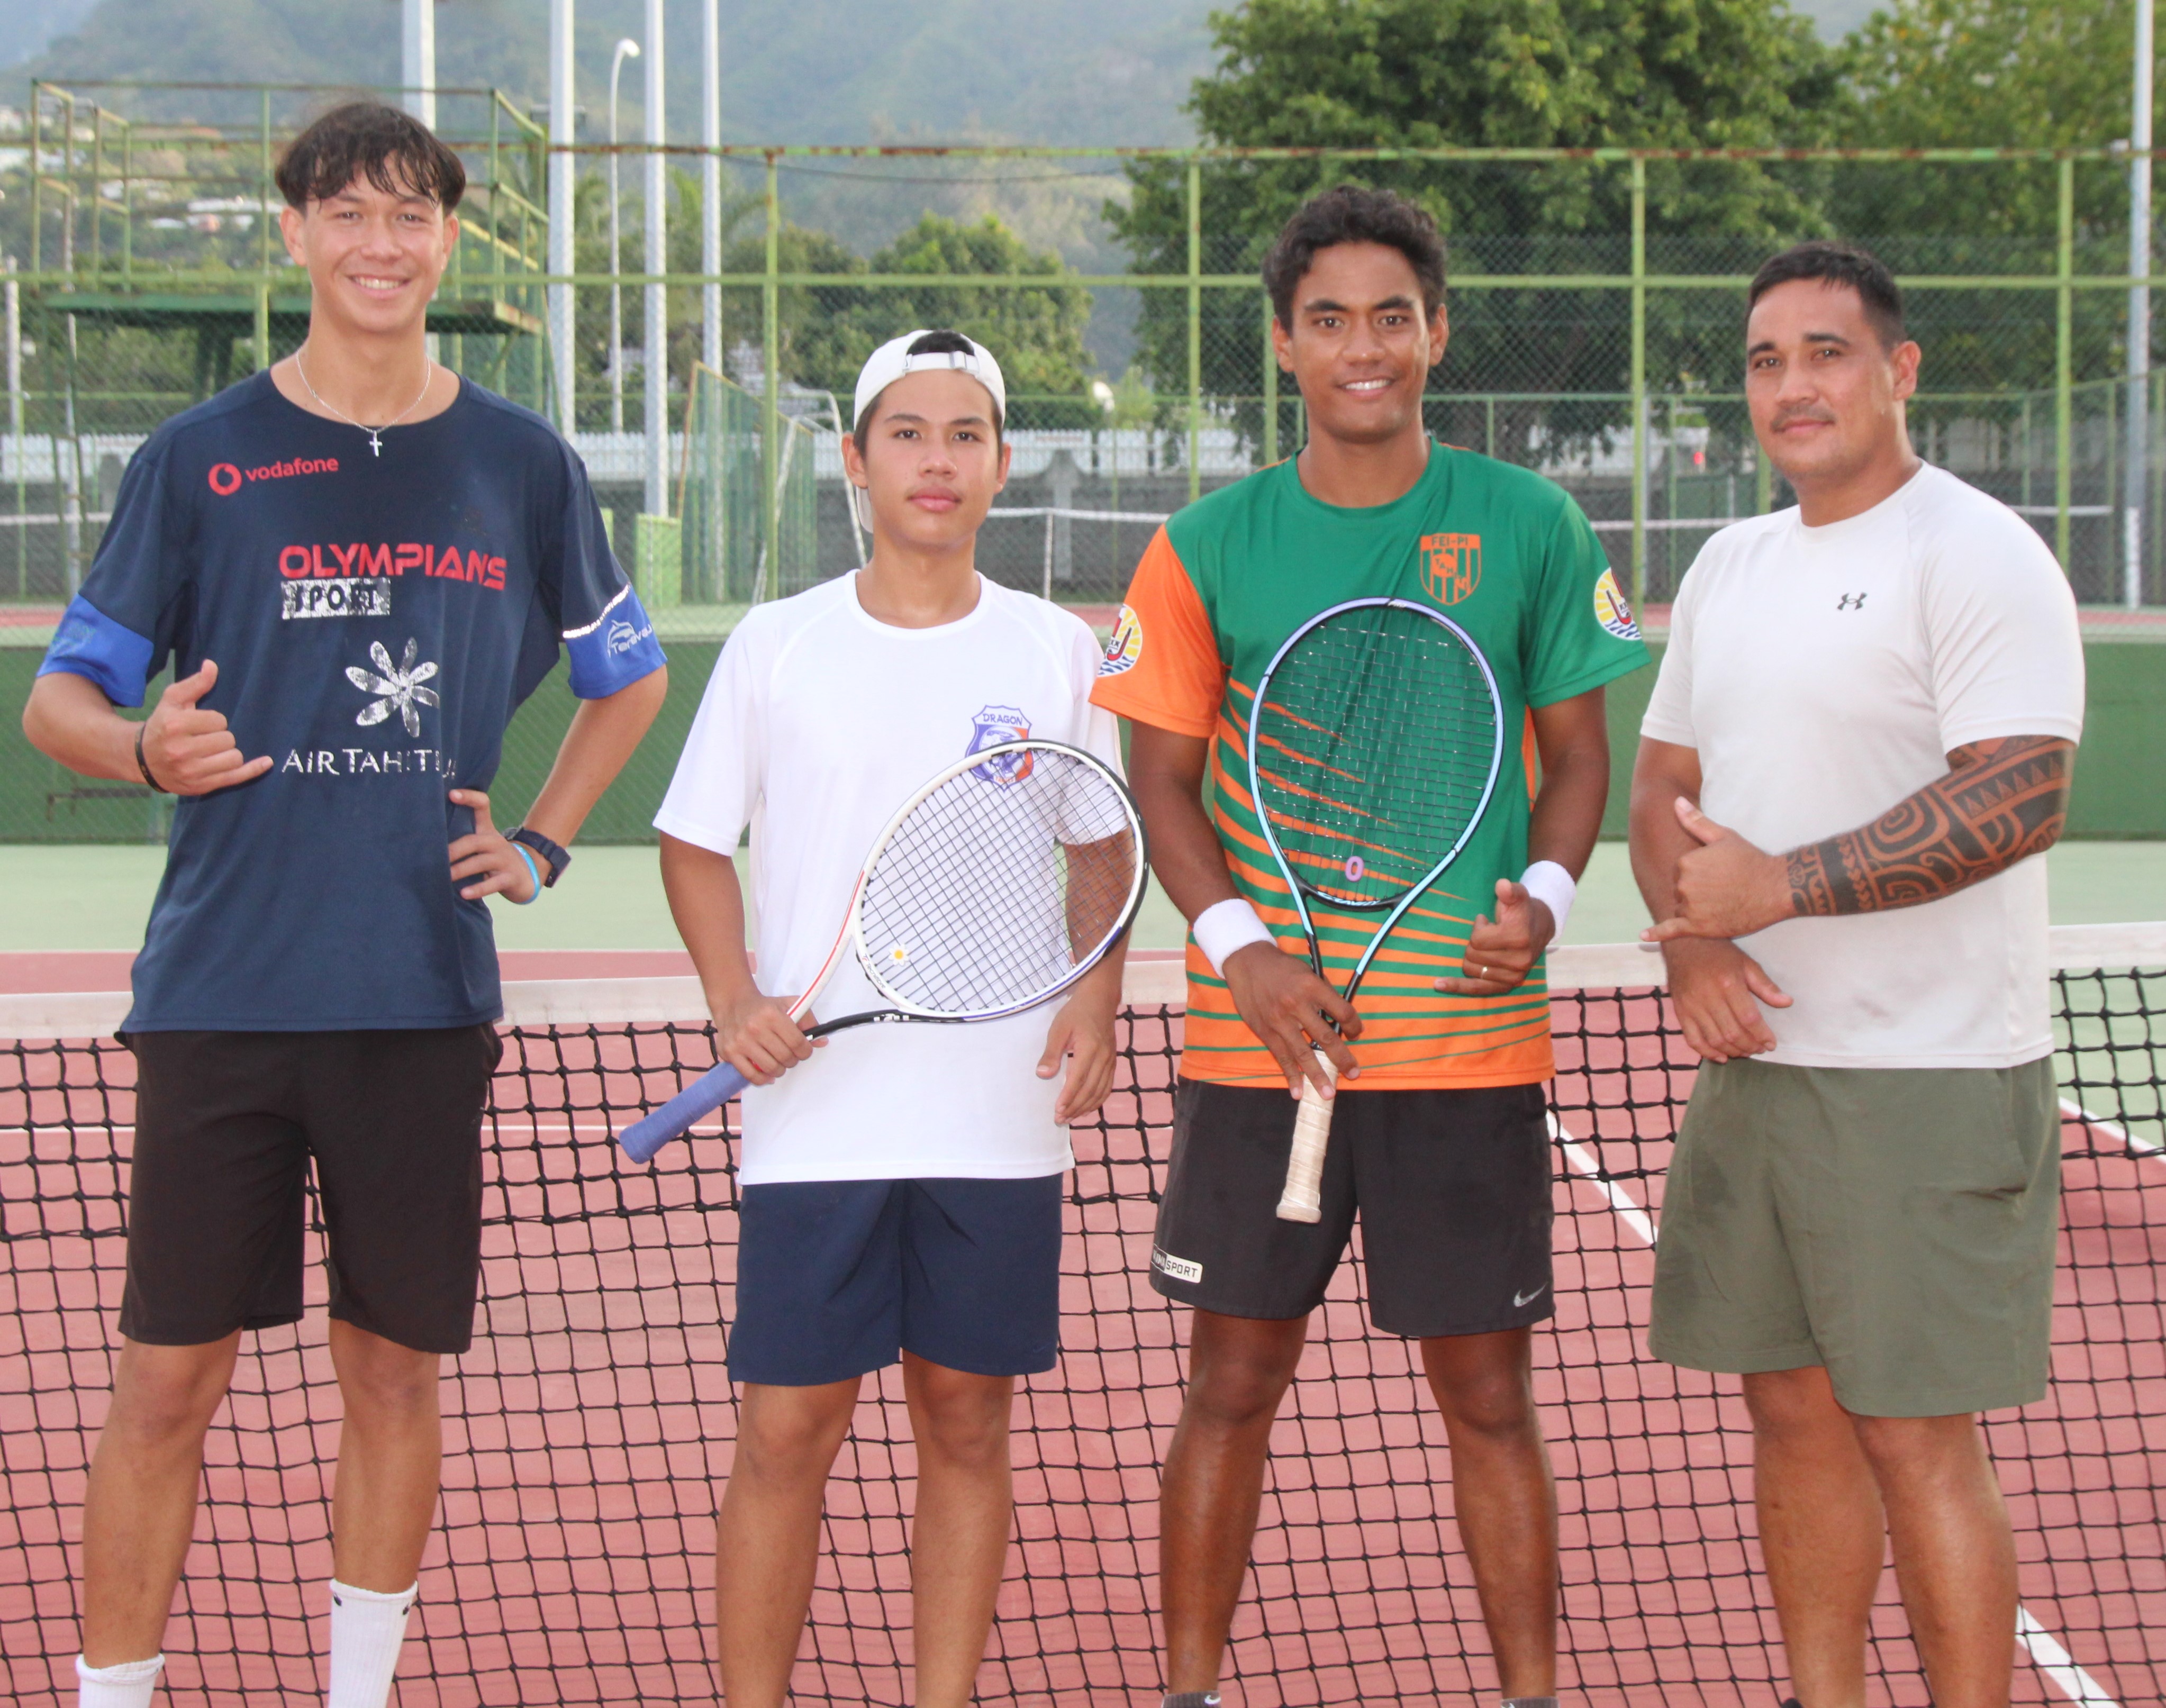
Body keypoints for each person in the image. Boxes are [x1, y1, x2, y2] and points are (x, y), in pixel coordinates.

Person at [21, 103, 668, 1708]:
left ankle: (356, 1694)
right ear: (295, 234)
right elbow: (62, 700)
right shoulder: (198, 457)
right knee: (166, 1380)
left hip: (420, 995)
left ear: (450, 240)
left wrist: (543, 842)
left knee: (391, 1372)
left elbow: (626, 676)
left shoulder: (520, 461)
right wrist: (144, 750)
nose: (381, 241)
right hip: (223, 994)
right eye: (347, 212)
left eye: (413, 214)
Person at [1090, 185, 1647, 1708]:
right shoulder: (1203, 547)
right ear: (1283, 343)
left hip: (1464, 1045)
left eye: (1390, 316)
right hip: (1252, 1041)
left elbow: (1580, 757)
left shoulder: (1529, 524)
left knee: (1487, 1395)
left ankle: (1532, 1693)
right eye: (1327, 318)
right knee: (1229, 1389)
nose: (1362, 347)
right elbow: (1158, 778)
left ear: (1437, 333)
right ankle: (1189, 1690)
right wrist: (1241, 948)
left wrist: (1544, 888)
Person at [1630, 241, 2083, 1708]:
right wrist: (1698, 936)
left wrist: (1782, 886)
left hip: (1933, 1078)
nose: (1792, 385)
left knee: (1912, 1435)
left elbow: (2019, 792)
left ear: (1898, 373)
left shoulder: (1979, 551)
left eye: (1826, 353)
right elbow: (1663, 784)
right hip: (1760, 1068)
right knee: (1794, 1414)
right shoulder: (1729, 563)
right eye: (1766, 359)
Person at [654, 329, 1129, 1708]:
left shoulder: (1057, 649)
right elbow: (693, 841)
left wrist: (1096, 980)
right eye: (909, 433)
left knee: (967, 1419)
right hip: (817, 1117)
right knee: (786, 1428)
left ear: (997, 463)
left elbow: (1100, 838)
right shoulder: (776, 643)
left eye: (967, 433)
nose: (939, 459)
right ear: (856, 461)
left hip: (996, 1111)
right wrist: (732, 996)